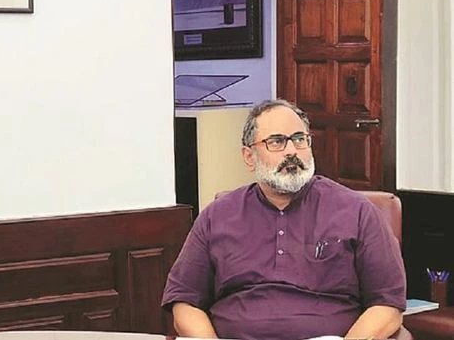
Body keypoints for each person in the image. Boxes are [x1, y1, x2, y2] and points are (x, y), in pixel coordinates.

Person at [161, 99, 406, 340]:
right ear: (249, 156)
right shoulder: (218, 215)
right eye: (277, 142)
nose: (292, 151)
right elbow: (184, 301)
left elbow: (387, 305)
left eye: (300, 139)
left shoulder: (357, 211)